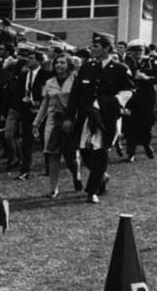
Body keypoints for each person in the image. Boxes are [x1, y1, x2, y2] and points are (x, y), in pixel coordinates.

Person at [69, 34, 134, 204]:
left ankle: (91, 191)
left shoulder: (120, 68)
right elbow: (76, 93)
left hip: (107, 116)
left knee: (101, 151)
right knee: (84, 150)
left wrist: (110, 103)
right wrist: (69, 116)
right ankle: (101, 176)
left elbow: (128, 91)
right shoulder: (87, 67)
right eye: (93, 46)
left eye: (97, 46)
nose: (93, 49)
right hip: (86, 116)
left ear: (107, 48)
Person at [32, 54, 78, 198]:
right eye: (57, 62)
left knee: (70, 155)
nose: (59, 65)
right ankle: (54, 188)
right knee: (52, 154)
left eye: (62, 62)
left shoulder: (75, 80)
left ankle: (76, 175)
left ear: (69, 65)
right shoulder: (49, 82)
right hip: (52, 121)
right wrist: (36, 123)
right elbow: (44, 104)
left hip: (70, 121)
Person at [121, 39, 154, 161]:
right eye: (135, 51)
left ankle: (146, 144)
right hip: (131, 99)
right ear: (130, 52)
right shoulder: (126, 64)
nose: (138, 53)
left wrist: (147, 78)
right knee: (131, 125)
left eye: (140, 50)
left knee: (147, 124)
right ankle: (131, 152)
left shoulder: (151, 62)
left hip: (147, 98)